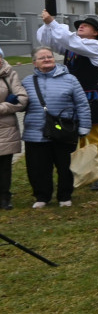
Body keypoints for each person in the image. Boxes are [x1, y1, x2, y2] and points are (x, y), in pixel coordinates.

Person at [37, 13, 98, 191]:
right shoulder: (73, 46)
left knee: (94, 137)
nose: (81, 26)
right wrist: (48, 26)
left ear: (95, 33)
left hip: (90, 97)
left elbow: (69, 41)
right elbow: (50, 41)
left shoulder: (95, 46)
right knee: (73, 135)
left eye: (87, 25)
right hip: (71, 97)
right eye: (80, 24)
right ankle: (81, 170)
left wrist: (53, 23)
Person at [21, 47, 91, 208]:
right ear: (34, 63)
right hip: (35, 132)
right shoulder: (27, 81)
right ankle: (42, 196)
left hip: (63, 131)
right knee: (38, 167)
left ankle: (65, 196)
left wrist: (84, 126)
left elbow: (82, 104)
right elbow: (21, 104)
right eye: (42, 58)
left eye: (49, 57)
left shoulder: (70, 79)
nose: (46, 59)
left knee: (65, 165)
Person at [0, 47, 28, 210]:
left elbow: (22, 99)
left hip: (5, 128)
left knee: (4, 165)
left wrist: (2, 107)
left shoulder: (9, 74)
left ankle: (4, 197)